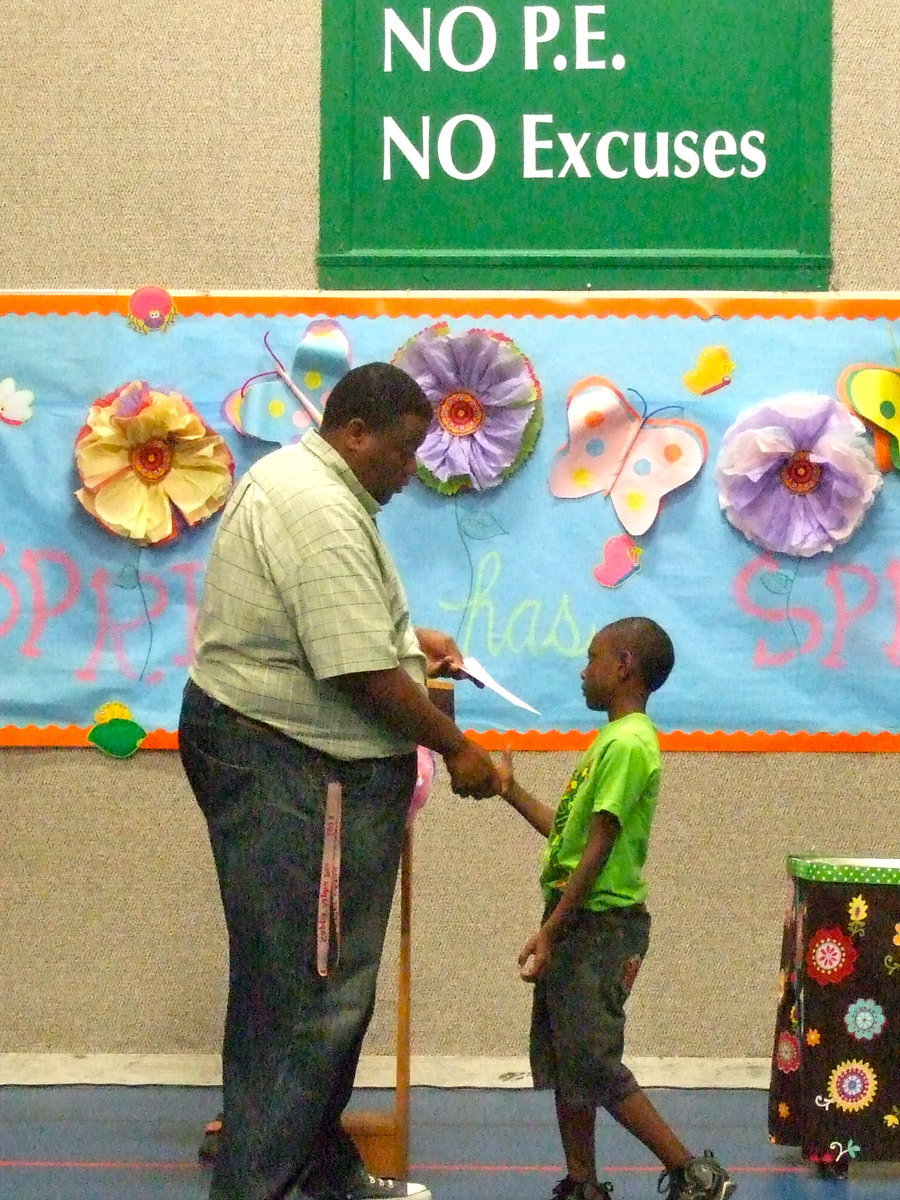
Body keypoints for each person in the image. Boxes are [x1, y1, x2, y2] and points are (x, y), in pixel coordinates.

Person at [178, 361, 501, 1200]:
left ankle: (320, 1173)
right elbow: (359, 670)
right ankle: (263, 1189)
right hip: (289, 761)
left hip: (282, 751)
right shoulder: (318, 507)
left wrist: (407, 639)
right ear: (354, 432)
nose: (410, 469)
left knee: (309, 988)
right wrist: (457, 749)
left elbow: (347, 630)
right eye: (401, 451)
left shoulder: (304, 481)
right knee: (304, 998)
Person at [497, 618, 735, 1200]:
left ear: (624, 664)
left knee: (595, 1062)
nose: (584, 669)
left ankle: (696, 1175)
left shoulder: (629, 743)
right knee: (567, 1060)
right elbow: (569, 837)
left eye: (593, 657)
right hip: (578, 918)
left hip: (600, 926)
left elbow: (600, 849)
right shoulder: (610, 741)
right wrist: (509, 790)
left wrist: (551, 930)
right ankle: (582, 1184)